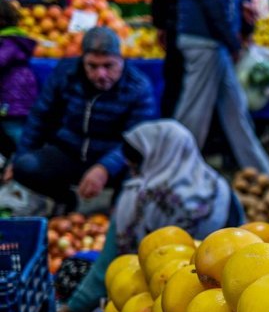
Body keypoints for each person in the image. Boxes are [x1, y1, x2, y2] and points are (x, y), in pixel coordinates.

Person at [60, 119, 243, 312]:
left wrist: (71, 310)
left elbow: (105, 268)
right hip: (225, 297)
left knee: (73, 269)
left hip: (149, 299)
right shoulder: (220, 191)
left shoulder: (137, 198)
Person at [3, 27, 156, 212]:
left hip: (115, 157)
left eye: (108, 66)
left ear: (121, 60)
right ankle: (66, 200)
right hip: (70, 151)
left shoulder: (138, 87)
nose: (101, 74)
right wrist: (20, 157)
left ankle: (118, 211)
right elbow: (40, 117)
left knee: (143, 170)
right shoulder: (66, 74)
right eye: (92, 66)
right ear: (82, 61)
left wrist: (104, 168)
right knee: (25, 167)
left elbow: (136, 139)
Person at [174, 0, 269, 174]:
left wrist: (239, 8)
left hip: (213, 41)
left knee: (235, 109)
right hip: (204, 40)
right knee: (194, 112)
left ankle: (262, 172)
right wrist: (232, 41)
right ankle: (170, 170)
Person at [0, 0, 37, 153]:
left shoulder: (9, 42)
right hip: (9, 98)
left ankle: (27, 159)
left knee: (16, 131)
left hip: (14, 100)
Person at [151, 0, 183, 117]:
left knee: (174, 85)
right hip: (200, 30)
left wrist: (160, 24)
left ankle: (170, 125)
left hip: (176, 26)